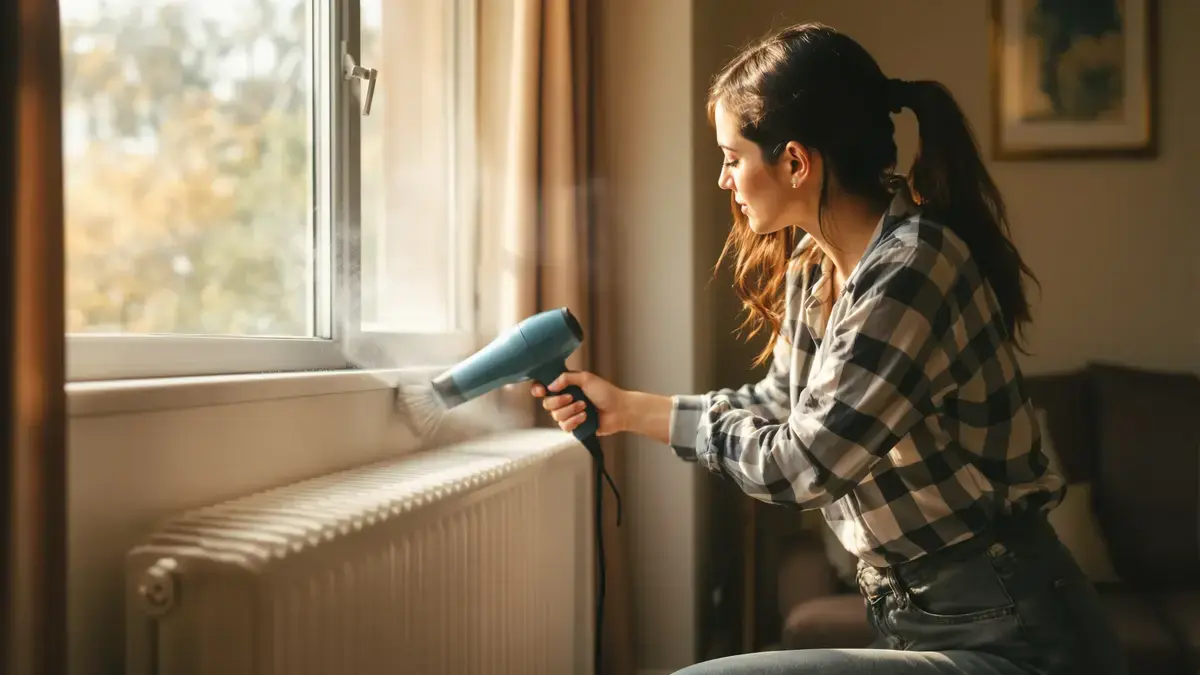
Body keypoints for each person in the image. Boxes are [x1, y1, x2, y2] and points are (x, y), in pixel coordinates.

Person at [531, 21, 1128, 675]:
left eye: (732, 156)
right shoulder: (816, 273)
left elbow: (803, 462)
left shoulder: (914, 269)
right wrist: (623, 408)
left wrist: (690, 423)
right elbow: (780, 404)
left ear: (794, 160)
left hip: (1019, 634)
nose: (723, 180)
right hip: (927, 622)